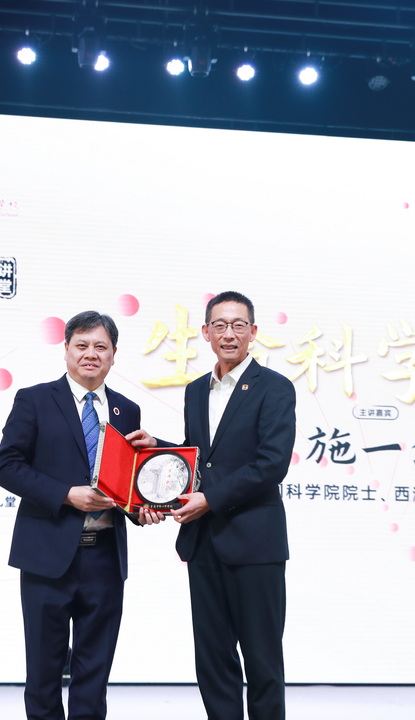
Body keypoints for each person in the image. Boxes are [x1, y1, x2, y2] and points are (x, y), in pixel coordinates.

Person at [129, 291, 297, 720]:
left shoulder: (275, 388)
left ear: (253, 332)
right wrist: (157, 446)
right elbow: (201, 459)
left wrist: (211, 499)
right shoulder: (195, 390)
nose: (229, 334)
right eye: (219, 325)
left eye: (238, 325)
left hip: (255, 545)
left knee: (262, 661)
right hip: (204, 543)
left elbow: (271, 464)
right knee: (213, 660)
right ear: (205, 332)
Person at [0, 310, 163, 720]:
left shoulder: (126, 410)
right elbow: (7, 466)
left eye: (100, 346)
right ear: (66, 349)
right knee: (43, 672)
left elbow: (127, 481)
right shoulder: (34, 400)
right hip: (46, 555)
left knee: (94, 673)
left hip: (104, 558)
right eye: (82, 345)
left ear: (113, 354)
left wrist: (142, 509)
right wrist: (66, 495)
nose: (91, 354)